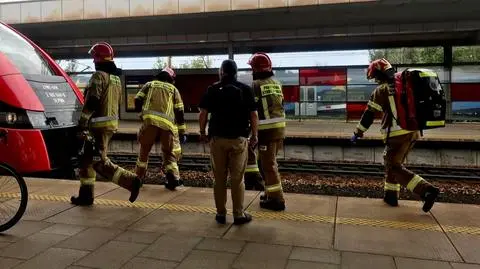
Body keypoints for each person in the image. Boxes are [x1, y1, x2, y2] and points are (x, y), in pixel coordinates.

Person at [351, 58, 440, 212]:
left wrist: (358, 132)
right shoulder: (405, 86)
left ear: (379, 75)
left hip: (397, 135)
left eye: (375, 77)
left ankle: (426, 190)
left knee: (393, 167)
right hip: (413, 132)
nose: (376, 80)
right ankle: (390, 196)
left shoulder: (381, 91)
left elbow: (369, 114)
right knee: (392, 163)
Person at [71, 42, 141, 206]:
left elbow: (93, 101)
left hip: (97, 126)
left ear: (97, 58)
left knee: (98, 161)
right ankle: (86, 196)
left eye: (93, 58)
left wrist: (82, 122)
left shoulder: (99, 76)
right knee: (87, 160)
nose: (93, 61)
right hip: (109, 125)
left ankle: (131, 181)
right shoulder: (116, 79)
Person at [198, 59, 258, 225]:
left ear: (221, 72)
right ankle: (238, 214)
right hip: (238, 140)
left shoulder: (212, 89)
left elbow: (203, 113)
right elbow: (254, 115)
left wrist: (202, 132)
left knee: (219, 178)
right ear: (235, 72)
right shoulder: (245, 89)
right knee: (237, 179)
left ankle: (220, 214)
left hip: (217, 140)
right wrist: (254, 136)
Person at [134, 67, 187, 191]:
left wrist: (141, 113)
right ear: (171, 78)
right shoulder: (174, 89)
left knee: (144, 152)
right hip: (167, 126)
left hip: (150, 123)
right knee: (168, 153)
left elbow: (137, 99)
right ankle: (172, 178)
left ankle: (138, 179)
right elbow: (180, 111)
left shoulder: (149, 85)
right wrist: (182, 131)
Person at [247, 52, 286, 211]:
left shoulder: (255, 86)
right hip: (279, 130)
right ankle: (269, 193)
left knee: (268, 165)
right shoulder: (277, 83)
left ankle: (277, 200)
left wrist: (251, 132)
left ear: (256, 69)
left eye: (252, 68)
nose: (251, 72)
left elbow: (252, 111)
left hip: (266, 132)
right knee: (266, 163)